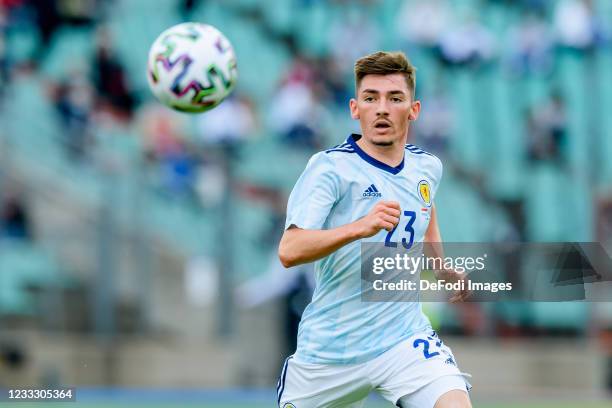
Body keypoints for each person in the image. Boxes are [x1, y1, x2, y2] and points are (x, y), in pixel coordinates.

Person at [276, 51, 471, 408]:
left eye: (394, 98)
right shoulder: (329, 169)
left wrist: (442, 268)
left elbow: (427, 214)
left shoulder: (427, 168)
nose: (382, 108)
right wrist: (358, 228)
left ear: (413, 110)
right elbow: (290, 249)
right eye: (371, 98)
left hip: (403, 340)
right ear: (355, 108)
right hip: (331, 351)